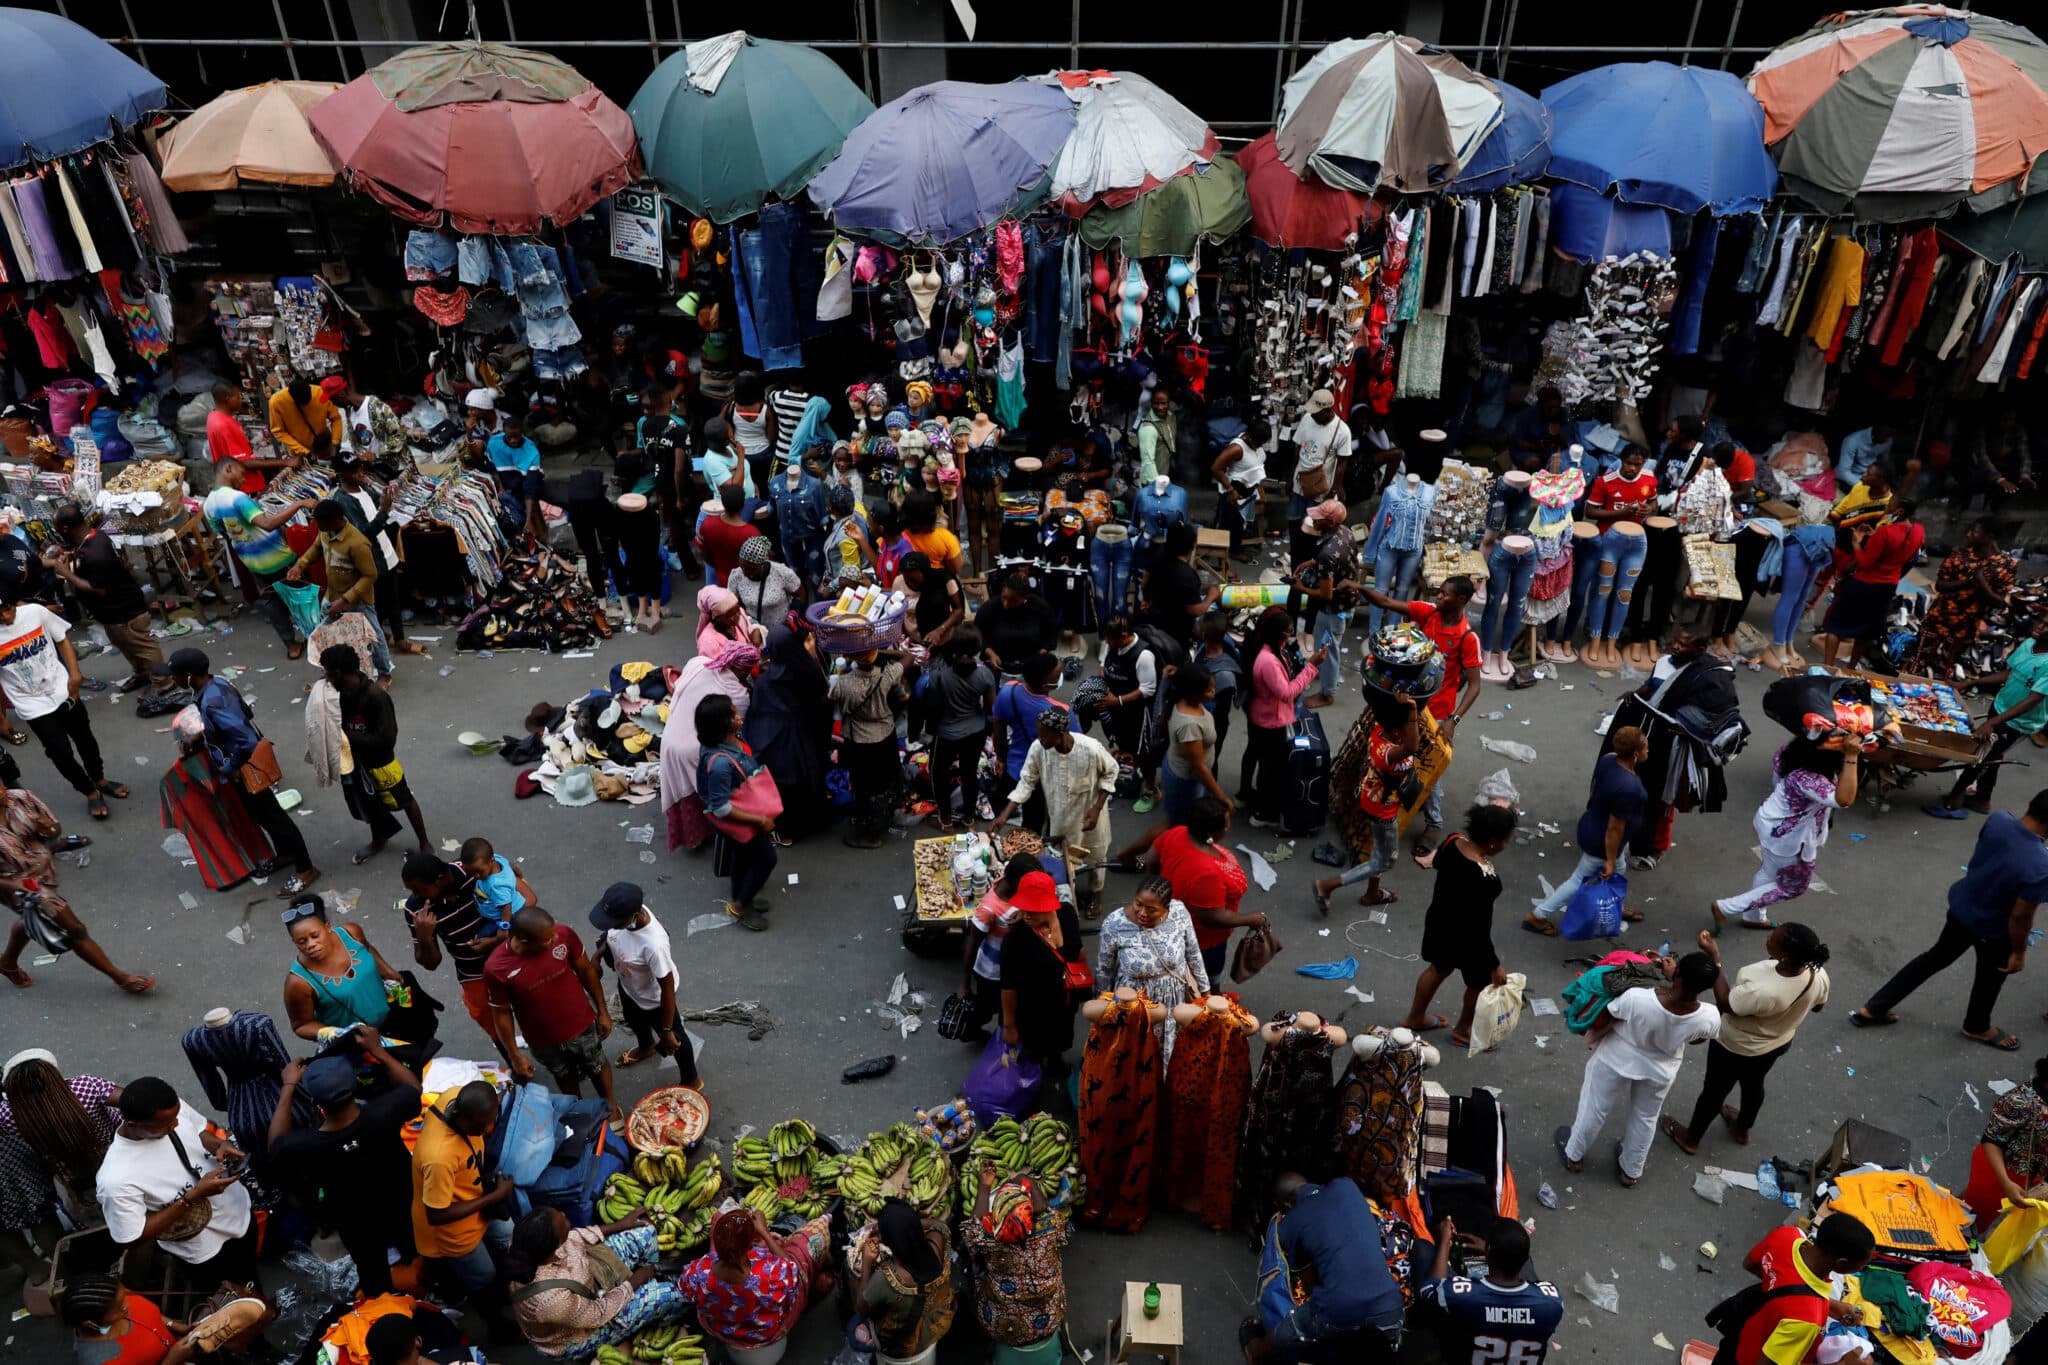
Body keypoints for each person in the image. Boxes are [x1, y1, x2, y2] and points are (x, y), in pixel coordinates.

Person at [1852, 788, 2048, 1050]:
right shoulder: (2040, 865)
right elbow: (2021, 916)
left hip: (1962, 908)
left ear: (2030, 803)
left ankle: (1874, 1008)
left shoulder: (1999, 820)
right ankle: (1977, 1027)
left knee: (1934, 958)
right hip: (1994, 929)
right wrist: (2019, 953)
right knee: (1990, 978)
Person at [163, 648, 320, 894]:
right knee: (263, 816)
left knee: (276, 819)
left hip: (245, 770)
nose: (174, 680)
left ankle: (306, 868)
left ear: (191, 676)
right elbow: (243, 715)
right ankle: (286, 854)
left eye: (177, 675)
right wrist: (202, 737)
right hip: (239, 765)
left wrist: (231, 766)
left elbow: (246, 741)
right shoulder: (216, 686)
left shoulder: (213, 701)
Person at [1664, 925, 1829, 1155]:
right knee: (1753, 1084)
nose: (1768, 937)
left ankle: (1691, 1139)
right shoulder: (1817, 974)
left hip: (1736, 1047)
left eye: (1774, 938)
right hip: (1776, 1044)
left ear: (1785, 954)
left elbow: (1725, 1003)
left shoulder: (1763, 991)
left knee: (1714, 1091)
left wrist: (1715, 958)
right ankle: (1742, 1128)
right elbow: (1818, 1006)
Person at [268, 1046, 420, 1295]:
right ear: (355, 1086)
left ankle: (381, 1307)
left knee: (372, 1270)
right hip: (402, 1200)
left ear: (317, 1104)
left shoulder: (306, 1145)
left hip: (354, 1218)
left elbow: (275, 1145)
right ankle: (424, 1283)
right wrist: (379, 1051)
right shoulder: (385, 1112)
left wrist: (288, 1086)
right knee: (413, 1245)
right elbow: (413, 1089)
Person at [1559, 952, 1721, 1187]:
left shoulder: (1637, 997)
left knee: (1594, 1107)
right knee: (1645, 1117)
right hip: (1660, 1070)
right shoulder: (1709, 1015)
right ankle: (1630, 1171)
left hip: (1615, 1059)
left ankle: (1574, 1155)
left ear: (1676, 973)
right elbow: (1698, 1039)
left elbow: (1611, 1012)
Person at [1355, 577, 1482, 855]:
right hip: (1407, 703)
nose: (1439, 597)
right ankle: (1380, 798)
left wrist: (1453, 720)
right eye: (1439, 592)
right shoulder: (1429, 613)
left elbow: (1475, 685)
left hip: (1436, 714)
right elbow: (1388, 602)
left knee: (1426, 767)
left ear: (1461, 600)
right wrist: (1361, 589)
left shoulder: (1467, 637)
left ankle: (1434, 823)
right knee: (1392, 755)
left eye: (1445, 594)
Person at [97, 1076, 258, 1286]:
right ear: (132, 1124)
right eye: (165, 1124)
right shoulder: (116, 1179)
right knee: (232, 1293)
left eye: (175, 1116)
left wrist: (218, 1145)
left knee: (251, 1275)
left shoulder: (171, 1110)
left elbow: (198, 1131)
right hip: (204, 1247)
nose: (176, 1123)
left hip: (238, 1212)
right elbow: (132, 1237)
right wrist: (192, 1197)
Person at [1245, 1173, 1406, 1364]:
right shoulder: (1346, 1185)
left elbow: (1305, 1282)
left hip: (1340, 1308)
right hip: (1392, 1306)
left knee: (1294, 1324)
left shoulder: (1291, 1221)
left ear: (1286, 1205)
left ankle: (1256, 1352)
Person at [1711, 733, 1860, 931]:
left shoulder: (1790, 754)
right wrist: (1852, 757)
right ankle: (1726, 907)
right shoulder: (1809, 778)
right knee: (1794, 887)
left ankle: (1753, 917)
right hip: (1789, 837)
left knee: (1769, 872)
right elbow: (1844, 799)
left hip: (1771, 823)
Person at [1399, 804, 1518, 1048]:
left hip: (1440, 922)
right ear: (1493, 841)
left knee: (1438, 968)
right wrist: (1494, 964)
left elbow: (1440, 863)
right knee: (1479, 983)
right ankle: (1463, 1030)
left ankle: (1415, 1017)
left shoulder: (1452, 842)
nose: (1506, 845)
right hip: (1467, 938)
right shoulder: (1484, 879)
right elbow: (1479, 928)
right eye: (1506, 840)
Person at [506, 1204, 690, 1359]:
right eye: (563, 1222)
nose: (563, 1214)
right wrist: (637, 1279)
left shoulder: (523, 1241)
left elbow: (576, 1236)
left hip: (588, 1283)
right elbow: (599, 1313)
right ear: (555, 1244)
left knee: (646, 1231)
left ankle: (653, 1282)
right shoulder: (550, 1301)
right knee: (669, 1294)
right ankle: (669, 1317)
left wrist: (621, 1224)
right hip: (583, 1330)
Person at [486, 908, 618, 1120]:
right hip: (543, 1041)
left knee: (597, 1064)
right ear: (524, 940)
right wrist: (514, 1055)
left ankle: (610, 1107)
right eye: (547, 939)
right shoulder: (497, 968)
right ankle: (578, 1111)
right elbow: (501, 1013)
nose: (555, 938)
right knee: (563, 1075)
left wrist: (603, 1011)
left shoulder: (563, 935)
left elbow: (586, 971)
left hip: (582, 1025)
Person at [0, 592, 122, 820]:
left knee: (85, 738)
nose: (6, 617)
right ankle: (89, 791)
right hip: (32, 704)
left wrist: (75, 675)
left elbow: (62, 639)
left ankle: (99, 778)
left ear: (14, 603)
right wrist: (2, 718)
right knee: (60, 753)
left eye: (8, 609)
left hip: (63, 689)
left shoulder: (35, 612)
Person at [986, 709, 1117, 919]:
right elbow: (1026, 781)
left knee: (1095, 857)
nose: (1040, 738)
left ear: (1062, 732)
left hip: (1090, 818)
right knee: (1063, 859)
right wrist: (1003, 815)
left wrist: (1097, 808)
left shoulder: (1090, 749)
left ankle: (1096, 894)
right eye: (1039, 733)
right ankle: (1068, 893)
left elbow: (1112, 771)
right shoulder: (1039, 749)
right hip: (1061, 818)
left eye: (1045, 734)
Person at [1525, 724, 1649, 931]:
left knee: (1619, 869)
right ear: (1635, 754)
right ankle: (1538, 915)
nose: (1648, 751)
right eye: (1646, 748)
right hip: (1602, 841)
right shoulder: (1630, 787)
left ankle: (1615, 904)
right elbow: (1614, 828)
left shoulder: (1609, 759)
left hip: (1591, 824)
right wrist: (1608, 859)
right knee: (1578, 881)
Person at [1928, 613, 2048, 820]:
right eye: (2040, 621)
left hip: (2018, 721)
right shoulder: (2029, 643)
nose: (2039, 626)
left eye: (2047, 626)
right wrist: (1970, 683)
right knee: (1992, 755)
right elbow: (2010, 674)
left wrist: (1992, 723)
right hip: (2000, 706)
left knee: (1980, 756)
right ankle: (1982, 799)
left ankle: (1953, 803)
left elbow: (2032, 701)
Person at [1312, 691, 1418, 913]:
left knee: (1380, 849)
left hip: (1372, 799)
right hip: (1382, 811)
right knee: (1383, 861)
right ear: (1398, 732)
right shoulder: (1389, 752)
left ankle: (1372, 893)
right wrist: (1412, 711)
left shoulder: (1381, 730)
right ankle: (1328, 886)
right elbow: (1411, 748)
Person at [320, 644, 429, 861]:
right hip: (355, 762)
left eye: (327, 673)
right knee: (368, 803)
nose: (325, 678)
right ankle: (379, 839)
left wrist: (347, 737)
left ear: (338, 673)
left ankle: (424, 841)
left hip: (382, 763)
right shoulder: (339, 695)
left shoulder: (376, 697)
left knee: (404, 800)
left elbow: (387, 738)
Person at [677, 1207, 834, 1355]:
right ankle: (825, 1225)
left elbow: (686, 1290)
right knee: (809, 1241)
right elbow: (793, 1270)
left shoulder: (697, 1273)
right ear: (750, 1244)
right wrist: (765, 1233)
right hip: (765, 1333)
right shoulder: (770, 1274)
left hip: (721, 1328)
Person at [588, 882, 698, 1090]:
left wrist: (666, 1031)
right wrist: (597, 957)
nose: (610, 925)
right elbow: (612, 938)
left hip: (655, 1000)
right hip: (630, 986)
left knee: (676, 1040)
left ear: (634, 915)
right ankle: (646, 1046)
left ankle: (691, 1079)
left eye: (614, 922)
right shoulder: (626, 917)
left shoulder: (654, 945)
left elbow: (667, 987)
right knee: (633, 1019)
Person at [411, 1079, 515, 1298]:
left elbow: (489, 1103)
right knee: (484, 1277)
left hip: (477, 1201)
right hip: (455, 1232)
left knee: (509, 1235)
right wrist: (495, 1196)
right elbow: (436, 1215)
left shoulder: (455, 1095)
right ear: (462, 1118)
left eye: (491, 1121)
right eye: (480, 1127)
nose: (487, 1129)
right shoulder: (438, 1158)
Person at [202, 463, 319, 657]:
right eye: (242, 472)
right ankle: (316, 636)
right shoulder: (237, 498)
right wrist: (298, 504)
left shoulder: (208, 505)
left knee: (270, 599)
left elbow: (223, 530)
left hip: (251, 560)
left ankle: (291, 646)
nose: (244, 478)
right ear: (228, 468)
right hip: (277, 555)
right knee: (301, 594)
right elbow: (268, 524)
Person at [42, 505, 160, 693]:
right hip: (111, 613)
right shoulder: (90, 539)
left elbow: (98, 589)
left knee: (143, 647)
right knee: (126, 646)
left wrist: (66, 573)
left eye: (56, 526)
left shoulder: (96, 553)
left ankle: (163, 683)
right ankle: (143, 674)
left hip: (124, 610)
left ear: (65, 528)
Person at [1730, 1215, 1876, 1365]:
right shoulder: (1806, 1320)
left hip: (1742, 1336)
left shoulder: (1787, 1235)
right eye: (1861, 1266)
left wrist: (1827, 1305)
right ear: (1842, 1264)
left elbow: (1750, 1264)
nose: (1861, 1269)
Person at [661, 638, 760, 853]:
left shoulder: (699, 663)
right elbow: (736, 728)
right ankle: (716, 831)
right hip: (695, 746)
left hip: (669, 737)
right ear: (743, 670)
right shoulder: (737, 694)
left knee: (683, 788)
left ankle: (692, 837)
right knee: (705, 792)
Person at [1420, 1216, 1563, 1365]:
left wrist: (1444, 1242)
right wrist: (1499, 1252)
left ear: (1488, 1252)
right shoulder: (1552, 1301)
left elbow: (1428, 1290)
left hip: (1466, 1352)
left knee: (1423, 1249)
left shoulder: (1463, 1297)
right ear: (1525, 1258)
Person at [400, 851, 505, 1052]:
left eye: (419, 890)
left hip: (510, 953)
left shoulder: (472, 872)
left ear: (440, 880)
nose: (415, 896)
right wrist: (424, 938)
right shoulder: (416, 909)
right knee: (492, 1023)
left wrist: (497, 939)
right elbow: (431, 964)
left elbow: (516, 900)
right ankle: (515, 1063)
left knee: (535, 1008)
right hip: (472, 971)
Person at [1148, 797, 1264, 980]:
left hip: (1169, 925)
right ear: (1212, 833)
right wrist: (1252, 919)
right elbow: (1212, 917)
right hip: (1203, 941)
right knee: (1205, 978)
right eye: (1226, 825)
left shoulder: (1177, 833)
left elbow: (1150, 861)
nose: (1228, 828)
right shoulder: (1206, 873)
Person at [1096, 875, 1210, 1060]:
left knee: (1169, 1052)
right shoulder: (1114, 923)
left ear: (1167, 909)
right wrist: (1103, 1008)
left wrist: (1205, 993)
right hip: (1133, 1004)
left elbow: (1193, 953)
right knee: (1134, 1055)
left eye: (1151, 910)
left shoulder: (1180, 912)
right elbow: (1104, 969)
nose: (1142, 913)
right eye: (1138, 904)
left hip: (1173, 999)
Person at [0, 1051, 118, 1225]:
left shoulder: (9, 1114)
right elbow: (131, 1101)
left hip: (66, 1174)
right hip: (109, 1159)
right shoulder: (86, 1087)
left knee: (92, 1221)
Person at [961, 1169, 1070, 1353]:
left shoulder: (985, 1240)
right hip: (1051, 1316)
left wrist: (985, 1186)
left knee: (975, 1269)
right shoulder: (1050, 1227)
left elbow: (973, 1224)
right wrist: (1026, 1181)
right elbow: (1044, 1209)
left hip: (1001, 1327)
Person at [695, 693, 778, 931]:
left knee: (743, 856)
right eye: (732, 715)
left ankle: (743, 895)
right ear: (722, 724)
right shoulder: (720, 764)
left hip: (742, 811)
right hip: (739, 818)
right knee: (766, 859)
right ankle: (740, 905)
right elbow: (721, 808)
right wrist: (760, 820)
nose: (738, 716)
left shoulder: (728, 740)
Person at [743, 621, 829, 843]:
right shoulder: (807, 672)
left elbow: (756, 714)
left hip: (772, 744)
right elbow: (821, 704)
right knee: (807, 782)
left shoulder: (765, 680)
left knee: (785, 789)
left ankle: (787, 832)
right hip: (803, 740)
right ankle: (814, 822)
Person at [333, 455, 427, 659]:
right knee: (378, 605)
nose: (361, 473)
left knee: (393, 599)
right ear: (342, 475)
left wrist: (387, 501)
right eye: (356, 470)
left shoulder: (363, 488)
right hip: (372, 561)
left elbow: (376, 506)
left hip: (386, 554)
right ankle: (374, 646)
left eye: (361, 468)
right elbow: (362, 534)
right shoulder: (342, 501)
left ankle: (399, 639)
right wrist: (384, 511)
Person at [285, 499, 391, 679]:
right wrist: (300, 565)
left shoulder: (357, 543)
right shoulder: (325, 532)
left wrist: (345, 600)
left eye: (320, 522)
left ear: (335, 520)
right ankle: (332, 670)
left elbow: (370, 575)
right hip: (332, 594)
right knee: (325, 633)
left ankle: (384, 672)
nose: (317, 525)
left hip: (358, 601)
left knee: (374, 636)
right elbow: (316, 548)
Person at [1240, 609, 1325, 830]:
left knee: (1260, 759)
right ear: (1279, 634)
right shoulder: (1268, 661)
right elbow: (1286, 692)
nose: (1291, 636)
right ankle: (1262, 813)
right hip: (1270, 721)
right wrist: (1312, 667)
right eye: (1289, 632)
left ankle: (1250, 796)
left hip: (1263, 715)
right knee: (1271, 768)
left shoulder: (1270, 649)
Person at [281, 895, 403, 1041]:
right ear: (293, 941)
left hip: (395, 1017)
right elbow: (301, 1025)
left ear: (327, 927)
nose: (310, 944)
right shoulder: (298, 983)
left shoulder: (351, 932)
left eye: (315, 936)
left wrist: (388, 972)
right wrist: (337, 1034)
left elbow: (368, 949)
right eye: (302, 942)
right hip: (361, 1043)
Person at [852, 1197, 955, 1364]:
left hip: (900, 1348)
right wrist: (906, 1224)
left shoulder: (886, 1279)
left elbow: (861, 1308)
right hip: (938, 1323)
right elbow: (939, 1224)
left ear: (888, 1241)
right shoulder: (938, 1239)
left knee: (853, 1325)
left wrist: (867, 1262)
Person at [1912, 518, 2014, 681]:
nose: (1969, 535)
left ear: (1989, 536)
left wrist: (1981, 582)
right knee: (1917, 661)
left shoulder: (2006, 565)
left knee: (1944, 669)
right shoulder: (1959, 555)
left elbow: (1998, 602)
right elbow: (1940, 585)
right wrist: (1968, 582)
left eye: (1974, 531)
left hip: (1965, 626)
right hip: (1939, 617)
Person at [997, 870, 1076, 1074]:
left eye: (1036, 909)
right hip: (1032, 1010)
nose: (1028, 915)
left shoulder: (1066, 915)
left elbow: (1075, 951)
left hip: (1063, 1002)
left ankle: (1056, 1062)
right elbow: (1008, 987)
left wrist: (1054, 922)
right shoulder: (1014, 940)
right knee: (1032, 1052)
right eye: (1025, 908)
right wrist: (1009, 1026)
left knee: (1059, 1039)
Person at [991, 654, 1078, 836]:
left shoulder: (1008, 692)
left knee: (1012, 803)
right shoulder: (1061, 713)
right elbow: (1075, 748)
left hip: (1014, 767)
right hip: (1044, 776)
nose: (1061, 675)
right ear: (1047, 685)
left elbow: (998, 732)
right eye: (1058, 674)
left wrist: (1001, 758)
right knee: (1034, 823)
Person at [828, 646, 905, 850]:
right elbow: (909, 657)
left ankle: (870, 834)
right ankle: (887, 812)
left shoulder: (843, 683)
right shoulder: (887, 675)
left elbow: (829, 697)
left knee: (864, 787)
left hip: (859, 741)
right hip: (885, 736)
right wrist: (882, 651)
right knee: (884, 780)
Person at [960, 853, 1040, 1045]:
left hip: (1010, 969)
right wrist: (964, 985)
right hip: (991, 973)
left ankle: (1000, 1033)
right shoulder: (988, 910)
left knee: (1006, 1008)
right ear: (1016, 881)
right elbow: (972, 948)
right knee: (989, 1008)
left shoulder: (1012, 888)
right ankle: (971, 1030)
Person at [920, 632, 996, 833]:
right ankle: (969, 819)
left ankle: (946, 821)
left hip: (946, 734)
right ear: (977, 651)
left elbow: (933, 707)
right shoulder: (985, 674)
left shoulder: (939, 676)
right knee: (969, 773)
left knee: (939, 774)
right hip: (976, 732)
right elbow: (990, 709)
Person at [1293, 500, 1361, 706]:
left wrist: (1301, 588)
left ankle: (1327, 693)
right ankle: (1320, 673)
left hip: (1334, 608)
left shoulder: (1327, 554)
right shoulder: (1345, 532)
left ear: (1329, 523)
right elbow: (1343, 561)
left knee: (1328, 650)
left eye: (1318, 518)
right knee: (1327, 643)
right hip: (1348, 601)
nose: (1313, 520)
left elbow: (1325, 594)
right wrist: (1312, 563)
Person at [61, 1270, 208, 1365]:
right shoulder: (101, 1360)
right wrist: (171, 1361)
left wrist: (176, 1326)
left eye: (125, 1296)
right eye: (120, 1307)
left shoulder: (113, 1296)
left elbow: (148, 1313)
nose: (127, 1305)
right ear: (90, 1323)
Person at [1144, 521, 1222, 652]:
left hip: (1153, 622)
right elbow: (1195, 610)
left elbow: (1144, 580)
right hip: (1175, 633)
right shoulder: (1187, 576)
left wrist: (1146, 599)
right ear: (1193, 545)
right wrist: (1211, 596)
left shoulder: (1158, 553)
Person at [208, 383, 296, 494]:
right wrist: (286, 462)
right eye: (238, 397)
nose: (241, 400)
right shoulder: (224, 424)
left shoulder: (213, 416)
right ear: (228, 399)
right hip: (247, 487)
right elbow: (244, 462)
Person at [1288, 389, 1352, 534]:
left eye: (1316, 412)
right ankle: (1294, 553)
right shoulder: (1307, 419)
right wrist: (1290, 476)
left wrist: (1336, 487)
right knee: (1293, 520)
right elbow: (1297, 448)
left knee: (1313, 526)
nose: (1313, 415)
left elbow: (1342, 462)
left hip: (1319, 488)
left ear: (1327, 410)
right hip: (1299, 482)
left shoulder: (1342, 431)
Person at [976, 572, 1059, 676]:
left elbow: (1050, 636)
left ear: (1025, 598)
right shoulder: (990, 608)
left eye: (1012, 601)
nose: (1005, 604)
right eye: (1003, 598)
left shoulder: (1041, 608)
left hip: (1030, 666)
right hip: (997, 664)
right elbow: (978, 634)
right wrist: (990, 653)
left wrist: (1040, 657)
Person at [1211, 418, 1273, 557]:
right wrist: (1230, 491)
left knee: (1238, 525)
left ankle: (1235, 551)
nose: (1260, 446)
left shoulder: (1256, 445)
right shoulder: (1237, 448)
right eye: (1258, 443)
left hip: (1246, 495)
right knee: (1224, 527)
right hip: (1232, 494)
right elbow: (1216, 468)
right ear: (1250, 437)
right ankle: (1221, 562)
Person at [486, 413, 544, 538]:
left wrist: (528, 519)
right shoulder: (493, 444)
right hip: (507, 484)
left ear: (522, 433)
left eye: (516, 437)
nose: (513, 440)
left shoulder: (531, 451)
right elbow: (492, 468)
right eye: (509, 437)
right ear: (504, 433)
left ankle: (541, 537)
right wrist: (500, 487)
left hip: (527, 484)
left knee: (533, 512)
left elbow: (530, 488)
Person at [461, 836, 533, 931]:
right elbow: (513, 866)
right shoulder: (498, 859)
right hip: (510, 902)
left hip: (506, 915)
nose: (476, 876)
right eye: (470, 871)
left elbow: (506, 908)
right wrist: (521, 877)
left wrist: (504, 927)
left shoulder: (496, 885)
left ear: (491, 861)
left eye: (479, 871)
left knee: (483, 934)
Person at [898, 551, 965, 652]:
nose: (909, 582)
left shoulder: (944, 580)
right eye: (905, 578)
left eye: (913, 579)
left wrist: (939, 630)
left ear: (924, 572)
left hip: (944, 640)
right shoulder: (900, 583)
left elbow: (959, 609)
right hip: (915, 643)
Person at [731, 537, 803, 628]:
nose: (744, 573)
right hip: (753, 630)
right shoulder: (736, 575)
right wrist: (751, 624)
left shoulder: (782, 572)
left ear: (762, 564)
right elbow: (733, 606)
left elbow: (800, 594)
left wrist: (791, 619)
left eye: (750, 569)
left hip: (781, 629)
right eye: (742, 567)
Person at [699, 486, 760, 589]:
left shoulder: (708, 523)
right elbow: (760, 564)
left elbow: (704, 552)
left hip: (722, 580)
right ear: (743, 505)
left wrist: (717, 567)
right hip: (746, 585)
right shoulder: (751, 533)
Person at [268, 377, 341, 460]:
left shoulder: (319, 392)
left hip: (327, 445)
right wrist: (303, 451)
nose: (305, 405)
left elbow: (336, 418)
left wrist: (335, 442)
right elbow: (278, 431)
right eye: (302, 403)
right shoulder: (276, 402)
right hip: (300, 453)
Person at [1835, 421, 1895, 486]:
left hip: (1872, 476)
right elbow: (1842, 472)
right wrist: (1863, 487)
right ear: (1875, 431)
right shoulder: (1852, 441)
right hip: (1853, 477)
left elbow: (1884, 462)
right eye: (1884, 436)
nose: (1887, 440)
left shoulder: (1887, 440)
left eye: (1889, 436)